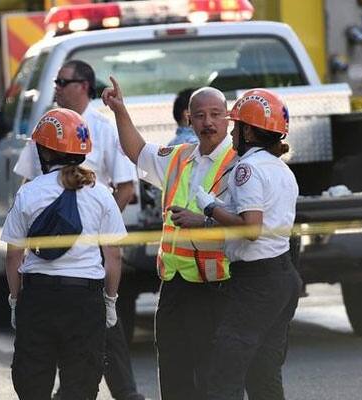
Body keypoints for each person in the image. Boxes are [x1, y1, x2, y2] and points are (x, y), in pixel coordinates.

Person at [13, 60, 144, 400]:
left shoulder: (102, 129)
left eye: (62, 80)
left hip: (74, 266)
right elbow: (30, 185)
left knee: (94, 341)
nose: (56, 86)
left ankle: (127, 393)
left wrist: (93, 232)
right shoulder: (47, 129)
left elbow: (127, 188)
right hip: (75, 276)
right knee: (82, 358)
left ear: (83, 85)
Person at [102, 77, 237, 400]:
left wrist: (202, 221)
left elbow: (248, 225)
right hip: (175, 284)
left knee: (212, 376)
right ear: (188, 119)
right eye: (200, 115)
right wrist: (120, 111)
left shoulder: (240, 164)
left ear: (228, 118)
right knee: (175, 373)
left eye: (216, 114)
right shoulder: (178, 157)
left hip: (216, 286)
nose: (208, 122)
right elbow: (137, 151)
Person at [2, 108, 126, 399]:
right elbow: (113, 257)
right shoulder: (100, 194)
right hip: (85, 301)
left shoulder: (29, 193)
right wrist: (110, 301)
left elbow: (13, 257)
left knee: (32, 382)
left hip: (39, 298)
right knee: (81, 386)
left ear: (45, 152)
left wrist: (16, 300)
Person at [196, 89, 301, 400]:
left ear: (249, 131)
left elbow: (251, 228)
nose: (231, 131)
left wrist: (209, 207)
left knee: (224, 374)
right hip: (282, 275)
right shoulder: (281, 169)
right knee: (264, 374)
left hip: (256, 282)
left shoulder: (248, 168)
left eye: (236, 126)